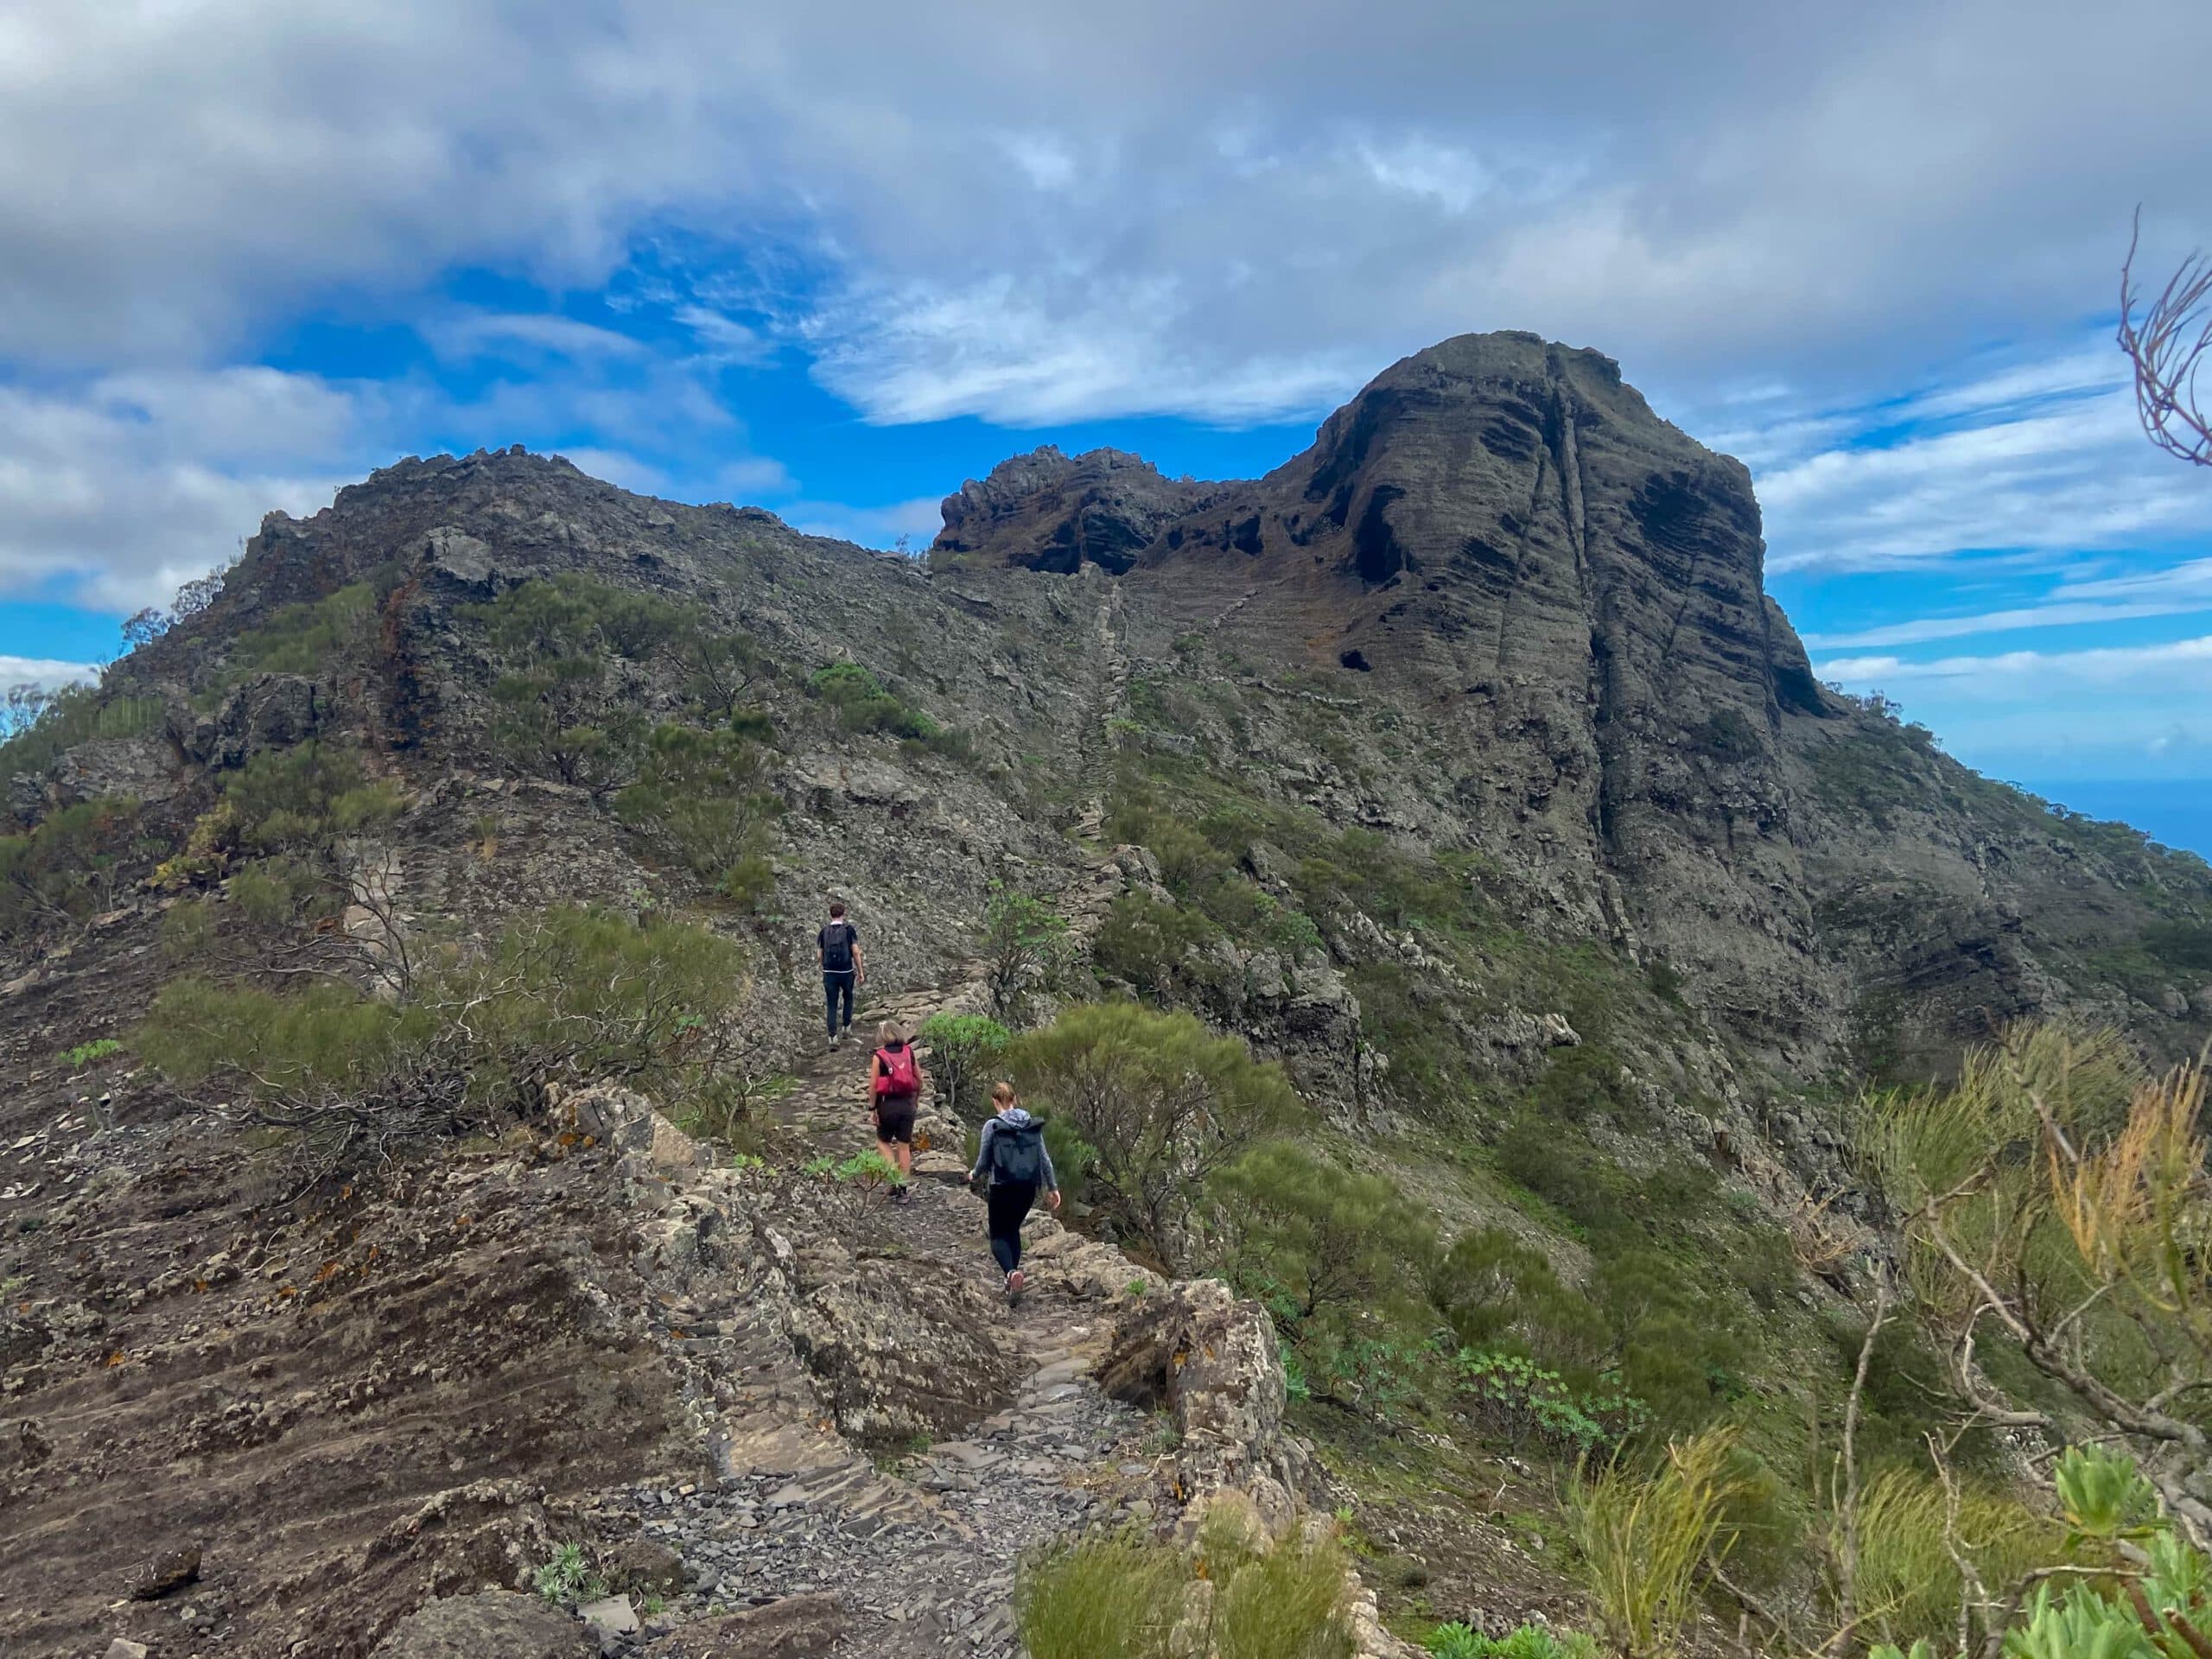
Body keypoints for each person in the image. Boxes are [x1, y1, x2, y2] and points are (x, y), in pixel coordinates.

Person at [968, 1082, 1060, 1301]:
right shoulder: (1031, 1124)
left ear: (995, 1102)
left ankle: (1011, 1273)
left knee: (999, 1235)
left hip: (1001, 1186)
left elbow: (983, 1160)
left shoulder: (992, 1126)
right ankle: (1012, 1280)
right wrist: (1053, 1187)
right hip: (1028, 1187)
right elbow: (1044, 1159)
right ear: (1015, 1099)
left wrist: (973, 1174)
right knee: (1013, 1230)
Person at [868, 1020, 924, 1200]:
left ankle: (893, 1179)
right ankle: (903, 1188)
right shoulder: (909, 1052)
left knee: (883, 1142)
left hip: (887, 1105)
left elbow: (874, 1086)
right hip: (907, 1105)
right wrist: (916, 1098)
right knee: (903, 1145)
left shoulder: (879, 1056)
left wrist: (872, 1108)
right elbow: (919, 1079)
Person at [817, 900, 863, 1048]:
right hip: (846, 971)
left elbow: (819, 955)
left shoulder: (823, 931)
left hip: (829, 973)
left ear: (831, 914)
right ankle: (846, 1028)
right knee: (848, 997)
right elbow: (855, 952)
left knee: (831, 1003)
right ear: (843, 913)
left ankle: (832, 1038)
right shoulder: (849, 930)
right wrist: (860, 971)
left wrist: (824, 967)